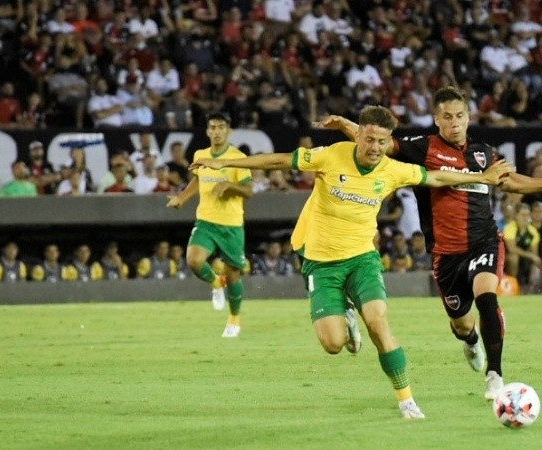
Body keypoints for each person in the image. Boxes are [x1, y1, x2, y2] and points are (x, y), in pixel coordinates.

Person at [191, 105, 515, 420]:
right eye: (370, 139)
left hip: (362, 258)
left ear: (389, 142)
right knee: (333, 344)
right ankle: (346, 315)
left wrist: (483, 178)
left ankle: (407, 401)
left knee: (378, 321)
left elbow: (439, 178)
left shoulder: (394, 169)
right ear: (358, 135)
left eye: (382, 141)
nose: (376, 148)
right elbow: (277, 160)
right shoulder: (331, 155)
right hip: (321, 262)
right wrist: (225, 165)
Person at [318, 87, 542, 400]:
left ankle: (495, 376)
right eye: (447, 117)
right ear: (436, 120)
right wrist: (346, 125)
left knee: (487, 296)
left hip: (484, 240)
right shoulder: (423, 148)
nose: (454, 122)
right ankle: (470, 340)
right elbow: (380, 144)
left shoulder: (483, 152)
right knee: (461, 324)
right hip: (446, 253)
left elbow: (508, 181)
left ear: (468, 118)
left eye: (459, 116)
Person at [166, 112, 253, 338]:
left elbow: (248, 191)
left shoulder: (238, 158)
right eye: (212, 127)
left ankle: (234, 318)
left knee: (234, 275)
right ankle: (215, 282)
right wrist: (181, 199)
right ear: (207, 131)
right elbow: (197, 179)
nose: (216, 131)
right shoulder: (200, 155)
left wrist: (228, 186)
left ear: (229, 131)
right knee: (193, 260)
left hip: (231, 226)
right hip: (206, 221)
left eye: (221, 127)